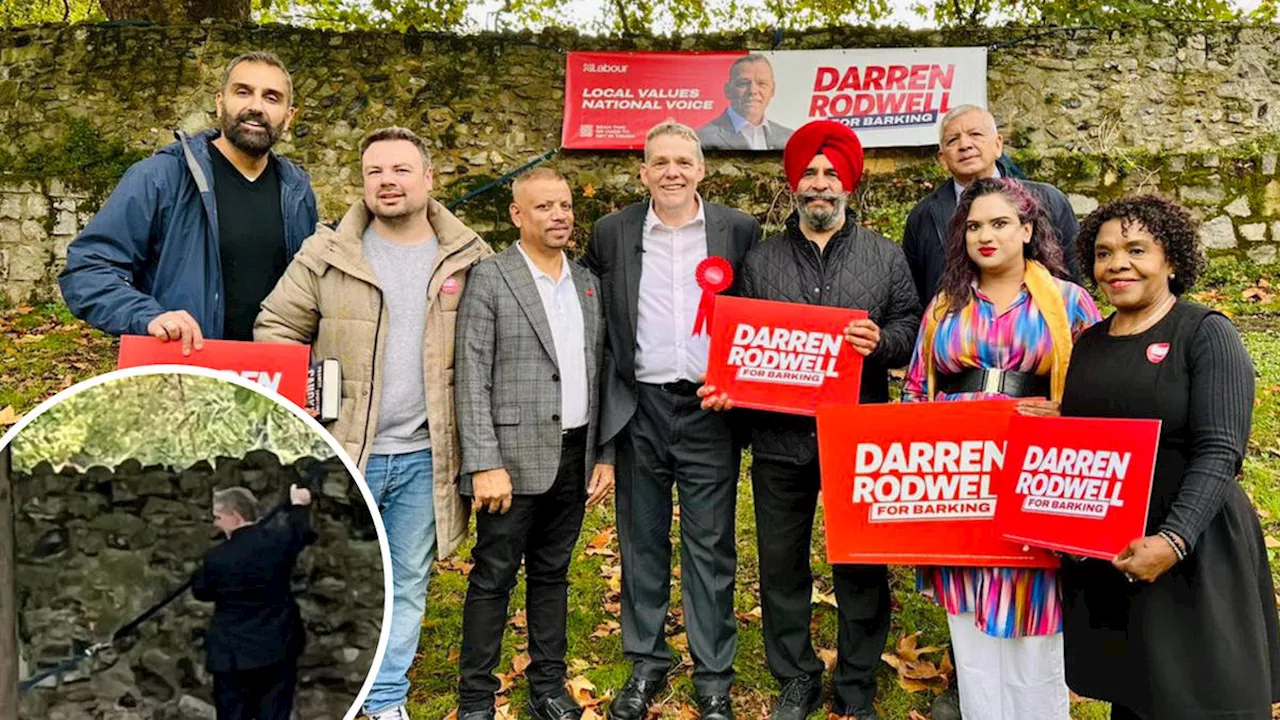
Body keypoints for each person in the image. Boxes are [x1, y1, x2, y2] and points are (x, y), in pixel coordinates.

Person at [254, 126, 493, 720]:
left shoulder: (470, 255)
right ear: (363, 182)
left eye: (401, 170)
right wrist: (311, 400)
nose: (388, 181)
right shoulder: (328, 251)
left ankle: (384, 700)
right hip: (342, 451)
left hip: (424, 455)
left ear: (428, 179)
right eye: (375, 172)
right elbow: (276, 327)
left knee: (404, 584)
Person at [700, 119, 921, 720]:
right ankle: (796, 675)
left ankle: (856, 683)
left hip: (858, 438)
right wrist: (729, 387)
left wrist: (882, 340)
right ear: (793, 183)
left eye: (830, 174)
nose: (819, 185)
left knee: (860, 565)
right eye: (809, 174)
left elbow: (911, 325)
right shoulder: (761, 261)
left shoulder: (885, 256)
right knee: (781, 562)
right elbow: (740, 344)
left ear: (848, 182)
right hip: (780, 442)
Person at [1059, 195, 1280, 720]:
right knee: (1136, 689)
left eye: (1137, 249)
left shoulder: (1204, 332)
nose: (1118, 264)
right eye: (1105, 252)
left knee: (1201, 693)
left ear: (1171, 259)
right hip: (1118, 547)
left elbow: (1221, 450)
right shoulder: (1089, 343)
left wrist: (1174, 539)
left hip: (1193, 541)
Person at [901, 177, 1100, 720]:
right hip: (958, 472)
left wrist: (1067, 412)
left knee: (1034, 604)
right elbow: (918, 387)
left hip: (1035, 468)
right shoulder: (945, 306)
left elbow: (1104, 385)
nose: (985, 235)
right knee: (969, 608)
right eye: (974, 226)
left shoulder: (1069, 303)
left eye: (1000, 223)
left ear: (1028, 230)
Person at [583, 120, 761, 720]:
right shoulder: (612, 233)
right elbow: (599, 325)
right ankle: (646, 662)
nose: (673, 172)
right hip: (641, 408)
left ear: (702, 169)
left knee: (710, 544)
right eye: (660, 162)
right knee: (641, 539)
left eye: (684, 161)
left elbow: (757, 315)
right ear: (643, 172)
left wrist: (740, 384)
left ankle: (713, 674)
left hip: (711, 408)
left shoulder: (738, 230)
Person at [454, 168, 613, 720]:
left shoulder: (588, 282)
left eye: (565, 205)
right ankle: (476, 696)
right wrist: (483, 462)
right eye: (544, 206)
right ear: (517, 215)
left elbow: (601, 369)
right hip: (511, 461)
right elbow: (471, 374)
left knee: (553, 573)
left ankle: (547, 686)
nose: (559, 215)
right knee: (494, 574)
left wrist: (604, 455)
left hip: (575, 453)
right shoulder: (491, 278)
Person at [60, 51, 318, 350]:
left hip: (272, 379)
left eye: (271, 98)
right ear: (220, 102)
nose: (255, 107)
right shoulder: (161, 177)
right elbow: (87, 270)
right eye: (243, 92)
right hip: (184, 373)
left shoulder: (298, 193)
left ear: (289, 116)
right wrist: (148, 317)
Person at [902, 105, 1081, 306]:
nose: (965, 145)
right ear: (942, 159)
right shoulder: (924, 216)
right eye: (953, 140)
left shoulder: (1048, 200)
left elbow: (1074, 274)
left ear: (998, 145)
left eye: (975, 134)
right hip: (958, 331)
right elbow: (914, 296)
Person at [192, 484, 315, 720]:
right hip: (278, 646)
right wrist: (299, 504)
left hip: (232, 656)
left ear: (235, 516)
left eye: (218, 517)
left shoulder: (217, 558)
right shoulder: (278, 543)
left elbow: (201, 591)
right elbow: (300, 530)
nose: (215, 523)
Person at [696, 54, 793, 151]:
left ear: (772, 90)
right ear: (728, 90)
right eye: (743, 84)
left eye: (762, 84)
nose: (753, 91)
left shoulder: (789, 138)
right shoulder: (702, 138)